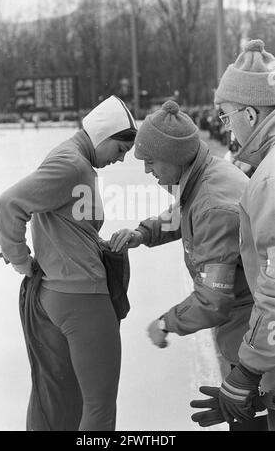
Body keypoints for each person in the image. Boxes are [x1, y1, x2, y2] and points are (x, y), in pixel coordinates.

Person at [109, 100, 266, 430]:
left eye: (151, 162)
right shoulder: (205, 176)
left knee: (250, 422)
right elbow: (183, 214)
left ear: (175, 157)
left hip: (251, 338)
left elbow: (213, 300)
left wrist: (166, 323)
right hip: (248, 330)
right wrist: (143, 233)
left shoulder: (212, 205)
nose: (147, 171)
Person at [0, 95, 137, 431]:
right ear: (103, 137)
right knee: (99, 409)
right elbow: (8, 204)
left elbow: (61, 223)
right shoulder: (71, 165)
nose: (119, 160)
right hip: (82, 298)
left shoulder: (73, 159)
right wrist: (20, 259)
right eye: (119, 151)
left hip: (58, 294)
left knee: (59, 398)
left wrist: (97, 242)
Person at [194, 39, 275, 430]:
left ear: (251, 112)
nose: (227, 129)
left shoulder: (269, 180)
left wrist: (248, 370)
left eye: (227, 117)